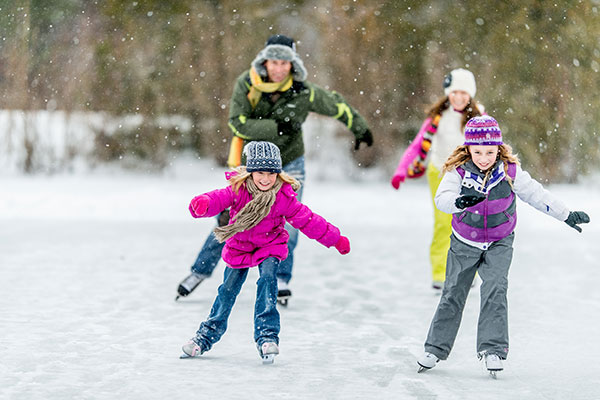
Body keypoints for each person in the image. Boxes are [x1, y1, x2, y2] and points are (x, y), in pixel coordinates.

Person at [176, 34, 373, 304]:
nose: (279, 68)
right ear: (264, 62)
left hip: (290, 163)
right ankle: (199, 271)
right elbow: (237, 122)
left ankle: (281, 278)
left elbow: (336, 104)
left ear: (292, 65)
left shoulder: (304, 91)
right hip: (250, 165)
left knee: (290, 221)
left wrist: (360, 128)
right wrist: (276, 127)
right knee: (230, 219)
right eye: (274, 62)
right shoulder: (247, 84)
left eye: (285, 63)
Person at [416, 115, 590, 376]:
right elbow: (443, 198)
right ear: (468, 150)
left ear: (498, 147)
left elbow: (536, 194)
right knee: (452, 293)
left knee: (496, 290)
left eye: (489, 151)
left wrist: (566, 214)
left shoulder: (510, 172)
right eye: (478, 152)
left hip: (499, 241)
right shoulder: (459, 171)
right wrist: (460, 202)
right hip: (464, 242)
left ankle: (493, 349)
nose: (484, 157)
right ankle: (435, 349)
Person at [180, 141, 350, 363]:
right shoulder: (238, 190)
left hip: (270, 245)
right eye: (260, 172)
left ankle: (267, 336)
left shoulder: (283, 197)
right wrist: (202, 203)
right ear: (250, 172)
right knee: (227, 291)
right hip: (239, 245)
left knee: (268, 281)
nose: (266, 178)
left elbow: (308, 220)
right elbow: (218, 198)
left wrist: (335, 239)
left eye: (271, 173)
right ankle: (205, 336)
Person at [390, 68, 483, 291]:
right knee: (444, 223)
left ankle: (468, 273)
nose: (458, 97)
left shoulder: (479, 118)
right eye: (454, 92)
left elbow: (491, 148)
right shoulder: (438, 118)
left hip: (469, 174)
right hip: (440, 173)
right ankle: (440, 273)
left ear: (470, 95)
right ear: (448, 93)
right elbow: (417, 145)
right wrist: (401, 170)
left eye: (463, 93)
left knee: (471, 224)